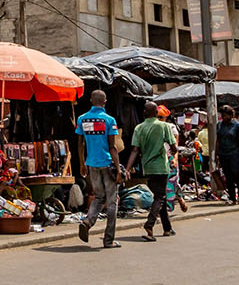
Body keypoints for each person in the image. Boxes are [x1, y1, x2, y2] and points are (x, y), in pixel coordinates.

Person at [76, 90, 123, 249]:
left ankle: (88, 221)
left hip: (92, 164)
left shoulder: (82, 119)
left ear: (90, 100)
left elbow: (80, 143)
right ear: (105, 101)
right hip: (107, 164)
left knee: (98, 197)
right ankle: (108, 240)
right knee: (111, 203)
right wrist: (118, 169)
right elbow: (112, 147)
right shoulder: (109, 120)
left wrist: (82, 163)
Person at [127, 101, 177, 241]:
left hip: (147, 167)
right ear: (156, 113)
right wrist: (175, 152)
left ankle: (167, 228)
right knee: (160, 197)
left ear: (144, 113)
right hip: (161, 166)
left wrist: (127, 168)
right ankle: (149, 224)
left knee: (160, 196)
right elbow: (173, 146)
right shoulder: (164, 126)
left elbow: (135, 150)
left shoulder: (139, 128)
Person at [216, 105, 239, 205]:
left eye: (225, 115)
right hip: (223, 154)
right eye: (222, 115)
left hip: (234, 153)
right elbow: (218, 140)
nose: (223, 117)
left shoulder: (237, 126)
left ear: (230, 115)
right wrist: (216, 154)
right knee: (228, 176)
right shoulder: (219, 125)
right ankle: (232, 197)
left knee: (236, 173)